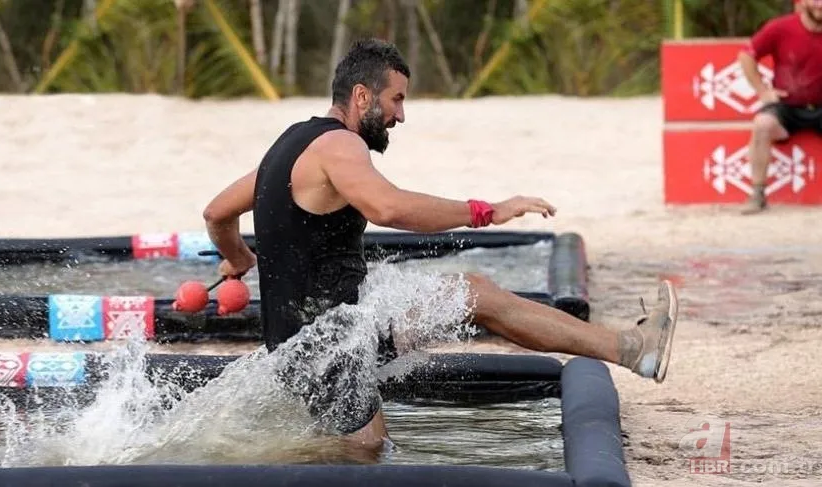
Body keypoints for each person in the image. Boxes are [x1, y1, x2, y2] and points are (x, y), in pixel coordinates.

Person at [202, 38, 679, 453]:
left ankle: (633, 347)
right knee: (364, 457)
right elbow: (389, 208)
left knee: (477, 294)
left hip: (333, 327)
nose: (401, 116)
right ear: (362, 95)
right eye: (396, 100)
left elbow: (217, 213)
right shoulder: (339, 147)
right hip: (327, 348)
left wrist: (238, 256)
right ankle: (634, 349)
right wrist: (487, 210)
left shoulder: (288, 146)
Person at [738, 0, 822, 214]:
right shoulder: (781, 27)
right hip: (787, 108)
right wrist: (762, 91)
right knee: (762, 125)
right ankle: (758, 193)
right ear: (803, 3)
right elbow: (747, 54)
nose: (820, 6)